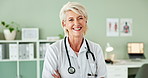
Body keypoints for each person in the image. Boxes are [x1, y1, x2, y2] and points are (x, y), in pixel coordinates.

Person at [42, 2, 107, 78]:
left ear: (85, 21)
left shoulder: (96, 49)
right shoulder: (54, 50)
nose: (76, 23)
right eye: (71, 20)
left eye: (80, 18)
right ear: (64, 24)